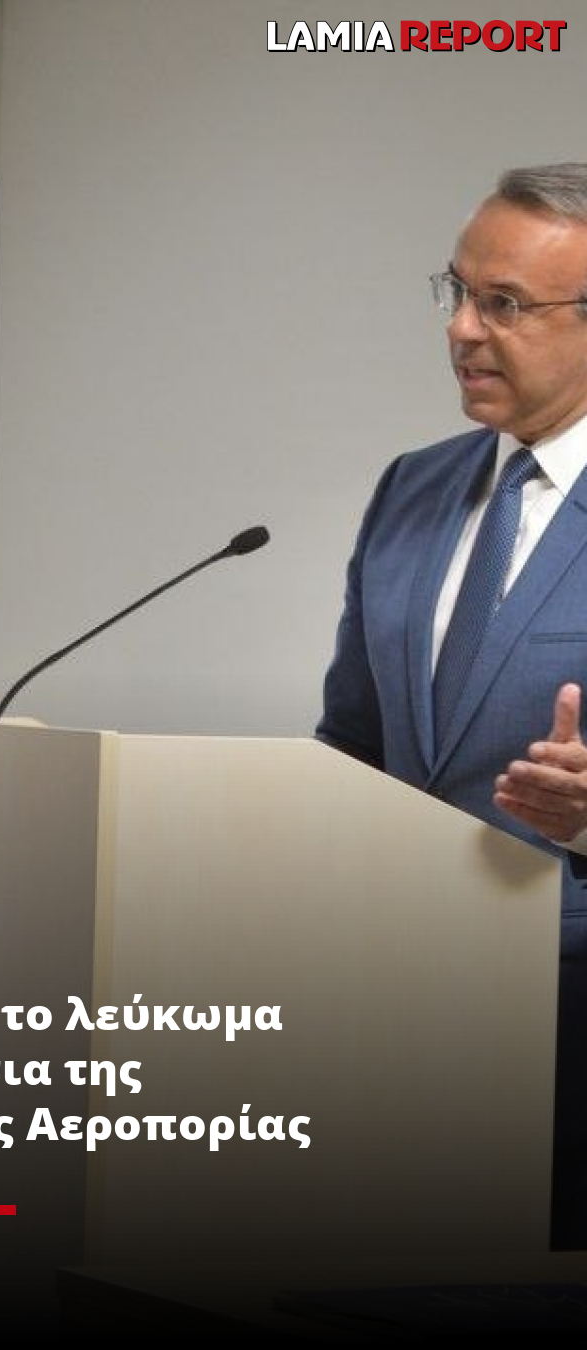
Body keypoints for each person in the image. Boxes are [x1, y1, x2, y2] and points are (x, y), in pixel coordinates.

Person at [317, 162, 587, 1248]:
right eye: (460, 292)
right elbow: (352, 745)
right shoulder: (413, 487)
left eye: (506, 304)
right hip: (394, 1015)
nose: (463, 330)